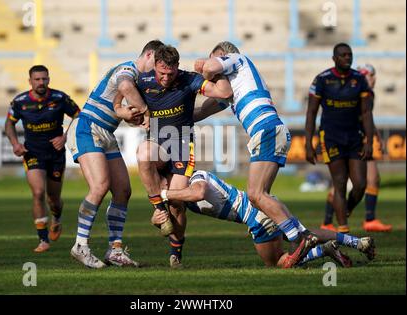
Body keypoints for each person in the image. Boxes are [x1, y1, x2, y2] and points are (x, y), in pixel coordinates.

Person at [195, 41, 318, 268]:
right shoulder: (235, 86)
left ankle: (300, 239)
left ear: (223, 55)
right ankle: (313, 241)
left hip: (266, 129)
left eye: (216, 57)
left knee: (256, 194)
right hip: (267, 130)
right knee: (261, 196)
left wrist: (199, 68)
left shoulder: (238, 60)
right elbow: (203, 111)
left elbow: (209, 68)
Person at [66, 40, 165, 269]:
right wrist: (147, 113)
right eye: (157, 62)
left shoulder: (141, 82)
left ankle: (115, 250)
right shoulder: (127, 69)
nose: (158, 70)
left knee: (123, 190)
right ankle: (80, 245)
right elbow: (125, 88)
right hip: (87, 127)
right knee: (100, 186)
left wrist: (134, 118)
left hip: (106, 133)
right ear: (148, 54)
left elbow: (122, 110)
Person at [151, 170, 375, 268]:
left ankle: (323, 251)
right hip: (265, 204)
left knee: (277, 262)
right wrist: (156, 219)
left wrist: (164, 194)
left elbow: (198, 193)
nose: (163, 188)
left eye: (164, 183)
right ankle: (357, 242)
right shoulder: (178, 195)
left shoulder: (196, 178)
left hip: (256, 216)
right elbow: (169, 218)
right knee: (304, 232)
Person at [135, 44, 233, 267]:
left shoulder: (190, 80)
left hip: (180, 144)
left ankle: (176, 253)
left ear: (177, 68)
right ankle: (158, 209)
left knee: (177, 204)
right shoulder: (143, 81)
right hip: (157, 142)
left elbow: (225, 93)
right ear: (155, 66)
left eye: (170, 73)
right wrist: (133, 115)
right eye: (162, 73)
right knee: (143, 152)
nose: (166, 78)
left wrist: (220, 69)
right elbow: (119, 105)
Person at [5, 65, 80, 253]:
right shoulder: (20, 102)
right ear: (30, 81)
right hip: (32, 153)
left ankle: (57, 218)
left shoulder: (59, 98)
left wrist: (64, 137)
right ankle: (43, 240)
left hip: (55, 154)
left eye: (44, 79)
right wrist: (15, 143)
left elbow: (79, 116)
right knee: (38, 192)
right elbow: (9, 124)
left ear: (49, 79)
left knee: (53, 199)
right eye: (37, 79)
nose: (41, 82)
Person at [305, 43, 374, 234]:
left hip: (354, 137)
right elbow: (311, 112)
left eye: (349, 55)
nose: (347, 58)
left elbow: (367, 112)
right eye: (343, 55)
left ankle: (346, 210)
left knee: (360, 184)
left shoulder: (359, 79)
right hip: (331, 138)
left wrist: (369, 140)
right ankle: (343, 230)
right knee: (340, 182)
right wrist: (308, 144)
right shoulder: (322, 80)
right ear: (334, 58)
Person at [320, 64, 392, 232]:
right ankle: (356, 218)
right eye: (370, 75)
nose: (373, 79)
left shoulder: (366, 93)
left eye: (372, 76)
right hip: (353, 141)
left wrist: (376, 136)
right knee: (349, 182)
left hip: (358, 139)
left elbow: (367, 116)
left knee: (363, 180)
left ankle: (334, 220)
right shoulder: (359, 92)